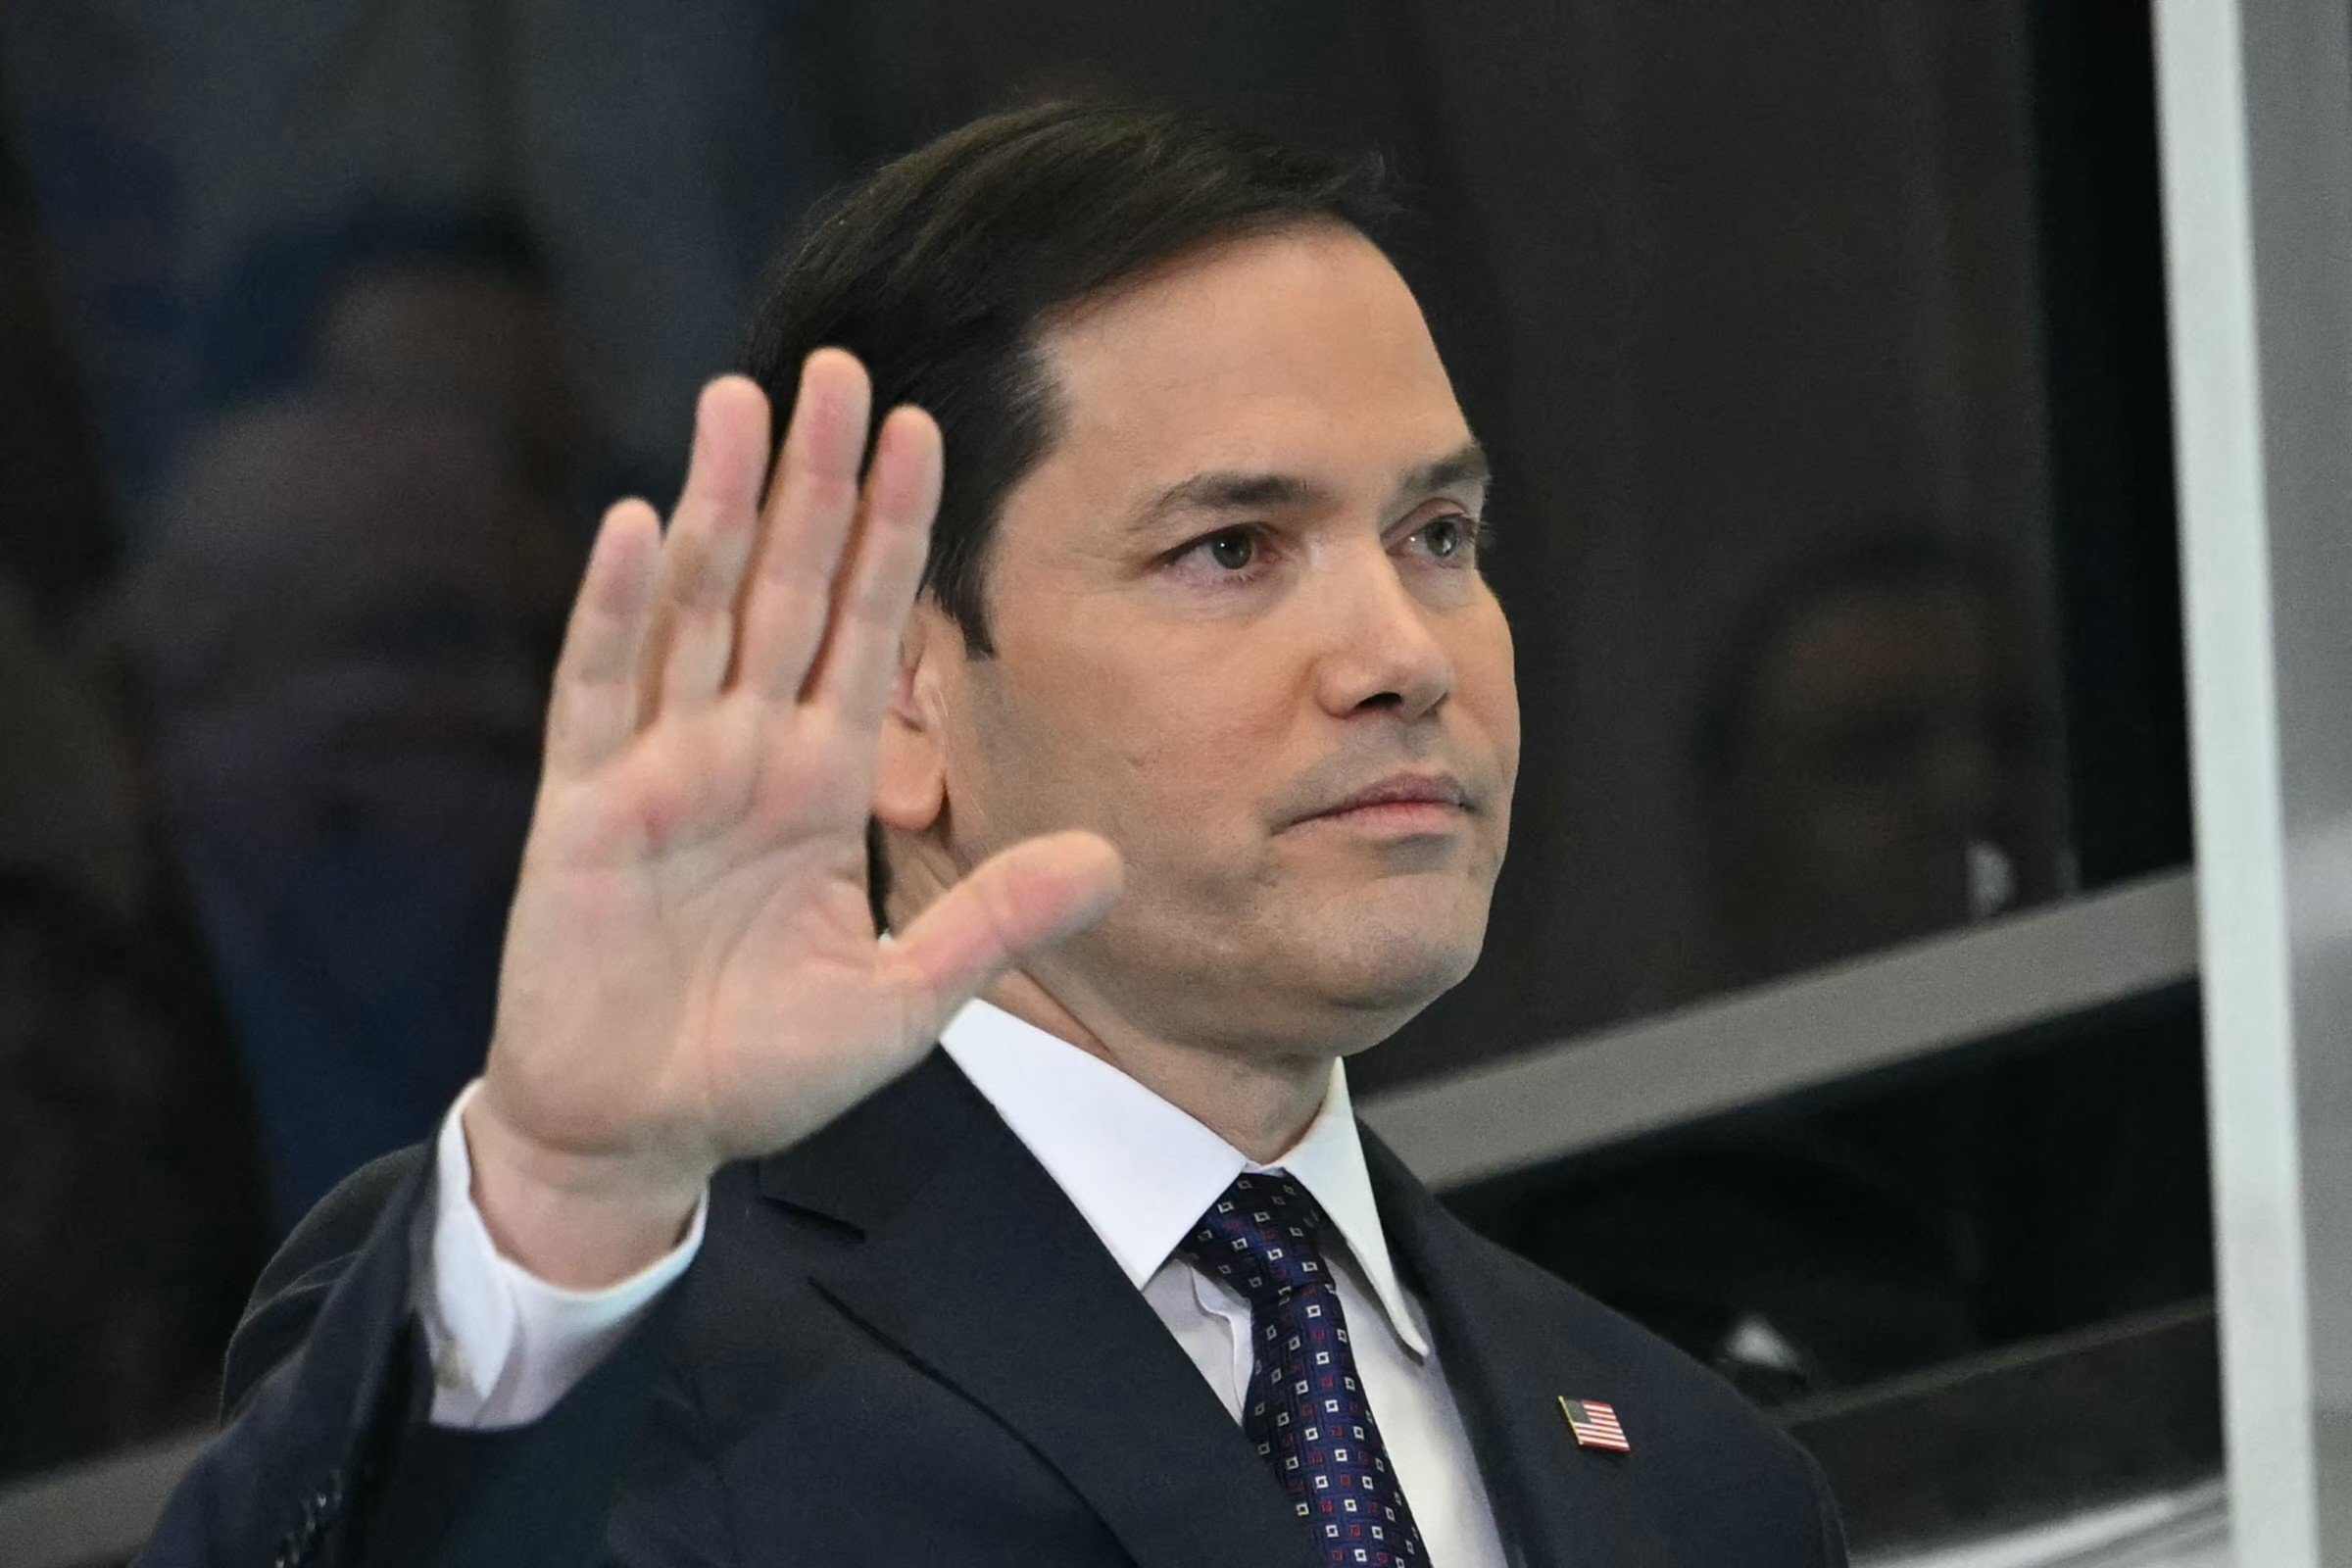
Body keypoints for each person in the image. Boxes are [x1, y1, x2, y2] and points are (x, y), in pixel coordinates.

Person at [141, 102, 1847, 1567]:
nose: (1402, 655)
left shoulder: (1708, 1484)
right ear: (898, 691)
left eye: (1440, 533)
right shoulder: (614, 1348)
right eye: (1235, 550)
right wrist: (567, 1201)